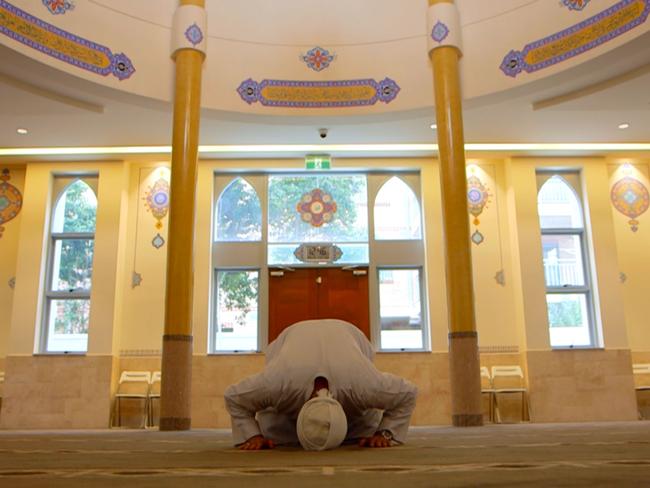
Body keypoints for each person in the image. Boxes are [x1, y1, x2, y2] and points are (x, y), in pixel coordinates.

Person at [224, 319, 418, 450]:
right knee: (276, 431)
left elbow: (408, 393)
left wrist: (384, 433)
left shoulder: (363, 385)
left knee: (363, 428)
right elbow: (234, 397)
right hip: (291, 338)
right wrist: (253, 436)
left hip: (352, 339)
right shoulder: (279, 382)